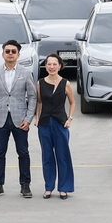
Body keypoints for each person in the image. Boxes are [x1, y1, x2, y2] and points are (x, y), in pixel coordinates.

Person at [0, 39, 37, 198]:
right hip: (0, 118)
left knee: (23, 152)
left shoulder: (25, 72)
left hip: (20, 119)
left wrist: (28, 118)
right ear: (2, 54)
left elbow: (32, 96)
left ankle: (25, 185)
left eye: (13, 51)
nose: (10, 54)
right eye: (7, 51)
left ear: (18, 54)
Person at [34, 53, 76, 199]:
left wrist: (69, 118)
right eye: (49, 64)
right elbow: (39, 102)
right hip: (44, 124)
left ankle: (64, 188)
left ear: (59, 66)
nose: (51, 67)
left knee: (62, 156)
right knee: (47, 156)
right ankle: (49, 187)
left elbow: (72, 102)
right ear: (45, 66)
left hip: (60, 123)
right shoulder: (40, 83)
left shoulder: (66, 83)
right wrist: (37, 118)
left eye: (54, 64)